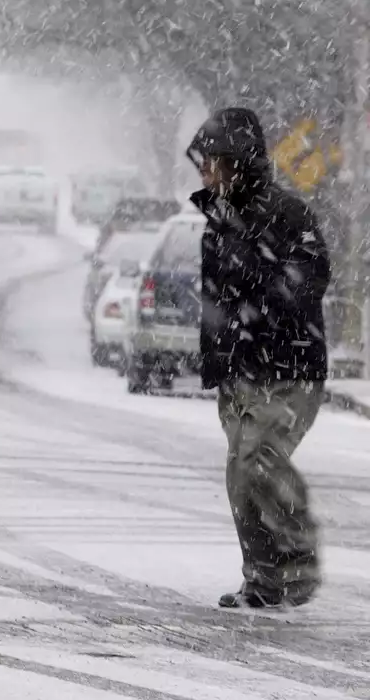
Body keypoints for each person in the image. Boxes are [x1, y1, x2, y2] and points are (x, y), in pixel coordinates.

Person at [186, 107, 331, 609]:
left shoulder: (288, 214)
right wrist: (215, 360)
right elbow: (215, 302)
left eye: (211, 163)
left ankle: (299, 558)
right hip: (240, 374)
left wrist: (261, 292)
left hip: (289, 369)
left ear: (236, 162)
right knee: (240, 477)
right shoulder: (217, 224)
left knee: (260, 462)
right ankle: (264, 580)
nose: (204, 173)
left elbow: (310, 279)